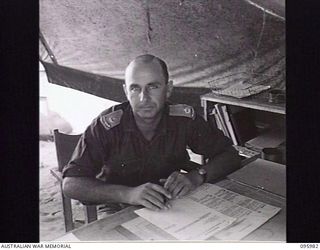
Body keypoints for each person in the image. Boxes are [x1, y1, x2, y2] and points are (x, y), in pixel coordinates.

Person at [62, 54, 241, 211]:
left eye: (153, 86)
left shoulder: (183, 119)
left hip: (168, 199)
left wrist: (196, 176)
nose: (144, 98)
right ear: (126, 91)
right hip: (116, 204)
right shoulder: (107, 125)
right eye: (135, 88)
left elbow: (230, 155)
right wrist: (128, 194)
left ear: (168, 89)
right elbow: (71, 184)